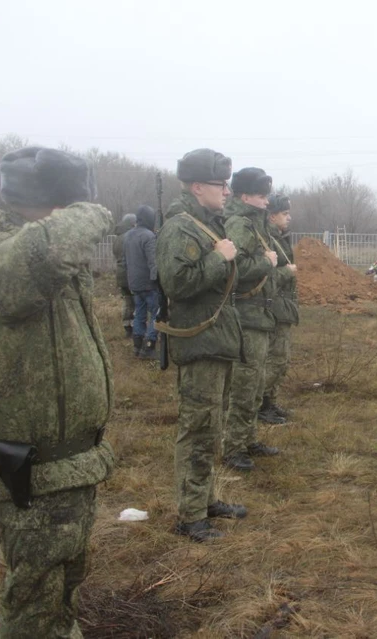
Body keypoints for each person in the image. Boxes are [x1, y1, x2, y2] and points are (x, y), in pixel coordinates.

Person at [0, 147, 116, 637]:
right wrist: (87, 209)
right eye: (68, 205)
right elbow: (14, 278)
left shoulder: (46, 247)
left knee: (62, 594)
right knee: (33, 605)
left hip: (70, 466)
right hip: (31, 474)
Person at [155, 148, 246, 542]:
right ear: (197, 187)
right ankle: (190, 515)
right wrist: (219, 258)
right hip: (200, 342)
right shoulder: (181, 226)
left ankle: (205, 499)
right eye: (218, 184)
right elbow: (177, 283)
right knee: (197, 430)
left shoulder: (206, 223)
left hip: (216, 340)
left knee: (212, 428)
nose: (226, 191)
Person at [222, 168, 283, 472]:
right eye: (260, 195)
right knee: (244, 384)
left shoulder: (255, 223)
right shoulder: (240, 224)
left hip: (259, 314)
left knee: (255, 382)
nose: (266, 201)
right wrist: (266, 263)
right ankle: (233, 446)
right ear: (244, 196)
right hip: (246, 315)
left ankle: (248, 439)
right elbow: (236, 269)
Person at [260, 194, 299, 423]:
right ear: (272, 216)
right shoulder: (268, 240)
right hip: (274, 305)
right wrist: (288, 272)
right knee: (276, 358)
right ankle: (262, 405)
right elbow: (267, 275)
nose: (289, 218)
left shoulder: (279, 238)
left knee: (281, 359)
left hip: (283, 304)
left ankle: (270, 402)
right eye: (284, 213)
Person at [124, 204, 159, 359]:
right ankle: (149, 346)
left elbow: (125, 261)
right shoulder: (149, 236)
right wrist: (158, 281)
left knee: (139, 313)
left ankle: (137, 347)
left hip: (134, 283)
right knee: (156, 314)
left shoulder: (128, 235)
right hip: (149, 284)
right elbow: (154, 263)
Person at [112, 213, 137, 336]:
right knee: (137, 301)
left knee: (127, 301)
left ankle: (127, 326)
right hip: (130, 273)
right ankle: (136, 327)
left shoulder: (117, 238)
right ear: (132, 224)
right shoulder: (130, 236)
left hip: (120, 274)